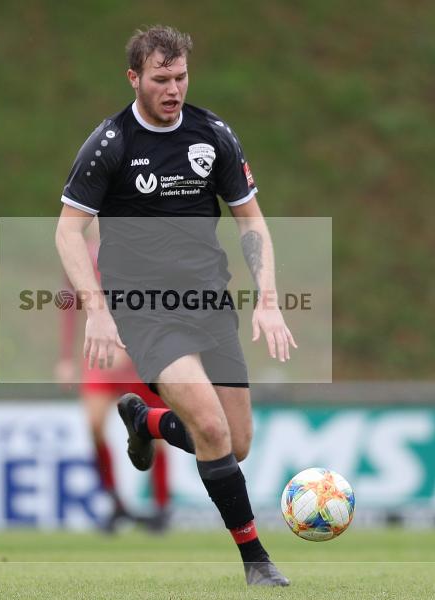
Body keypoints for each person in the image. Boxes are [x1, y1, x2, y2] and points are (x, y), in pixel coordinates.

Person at [55, 25, 294, 586]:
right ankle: (256, 561)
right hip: (145, 309)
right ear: (134, 78)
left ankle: (148, 421)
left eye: (181, 77)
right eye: (161, 79)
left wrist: (268, 301)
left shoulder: (214, 134)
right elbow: (68, 234)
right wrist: (96, 310)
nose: (173, 89)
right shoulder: (110, 143)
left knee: (235, 443)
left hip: (211, 302)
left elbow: (251, 222)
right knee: (210, 428)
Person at [56, 222, 172, 533]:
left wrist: (130, 344)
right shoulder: (78, 256)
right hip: (101, 356)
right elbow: (68, 305)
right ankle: (115, 503)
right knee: (94, 425)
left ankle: (162, 508)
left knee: (158, 431)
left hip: (140, 355)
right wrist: (66, 356)